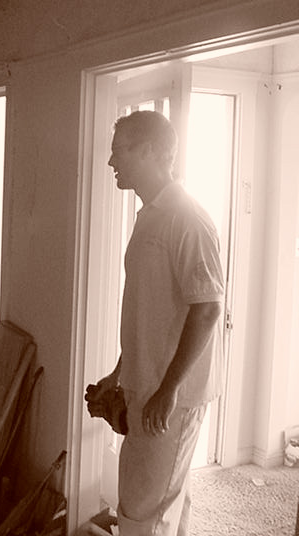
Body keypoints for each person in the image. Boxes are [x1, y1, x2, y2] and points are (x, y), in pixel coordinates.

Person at [86, 110, 224, 536]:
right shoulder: (150, 215)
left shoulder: (188, 219)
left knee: (142, 510)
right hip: (146, 385)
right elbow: (151, 312)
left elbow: (208, 308)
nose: (111, 161)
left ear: (149, 151)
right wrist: (118, 373)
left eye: (119, 150)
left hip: (170, 397)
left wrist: (169, 389)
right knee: (161, 503)